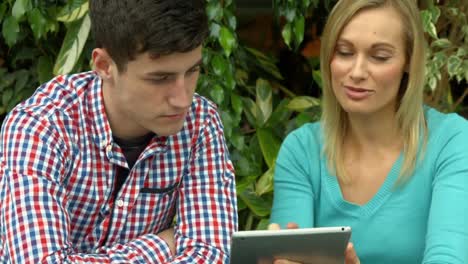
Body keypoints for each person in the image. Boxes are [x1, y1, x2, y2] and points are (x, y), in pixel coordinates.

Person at [0, 0, 237, 263]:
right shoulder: (42, 127)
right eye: (160, 78)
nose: (183, 99)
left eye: (192, 71)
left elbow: (211, 253)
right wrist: (160, 245)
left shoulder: (200, 122)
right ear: (103, 66)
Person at [269, 0, 468, 263]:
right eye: (344, 52)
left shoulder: (451, 141)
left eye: (380, 57)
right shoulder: (301, 150)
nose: (357, 72)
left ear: (409, 61)